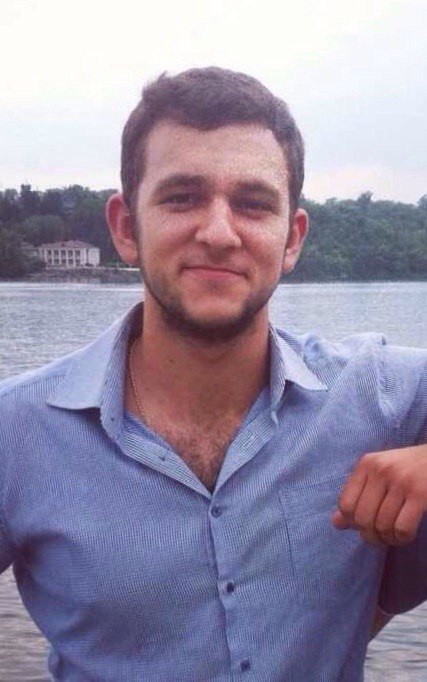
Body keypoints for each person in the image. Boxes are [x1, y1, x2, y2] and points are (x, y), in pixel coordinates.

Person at [0, 67, 425, 681]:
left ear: (292, 239)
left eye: (253, 204)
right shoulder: (17, 431)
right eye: (182, 197)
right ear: (125, 227)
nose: (220, 233)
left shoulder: (377, 395)